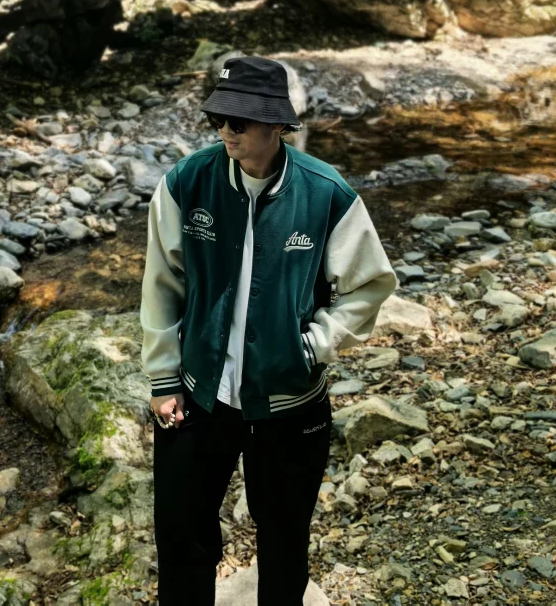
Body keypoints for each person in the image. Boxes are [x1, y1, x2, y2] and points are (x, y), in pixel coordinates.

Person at [141, 55, 399, 606]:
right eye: (218, 118)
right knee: (182, 539)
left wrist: (312, 346)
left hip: (291, 405)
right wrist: (164, 378)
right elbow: (162, 283)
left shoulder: (325, 192)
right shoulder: (187, 183)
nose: (225, 130)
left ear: (277, 124)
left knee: (284, 544)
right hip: (199, 398)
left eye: (239, 120)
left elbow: (370, 285)